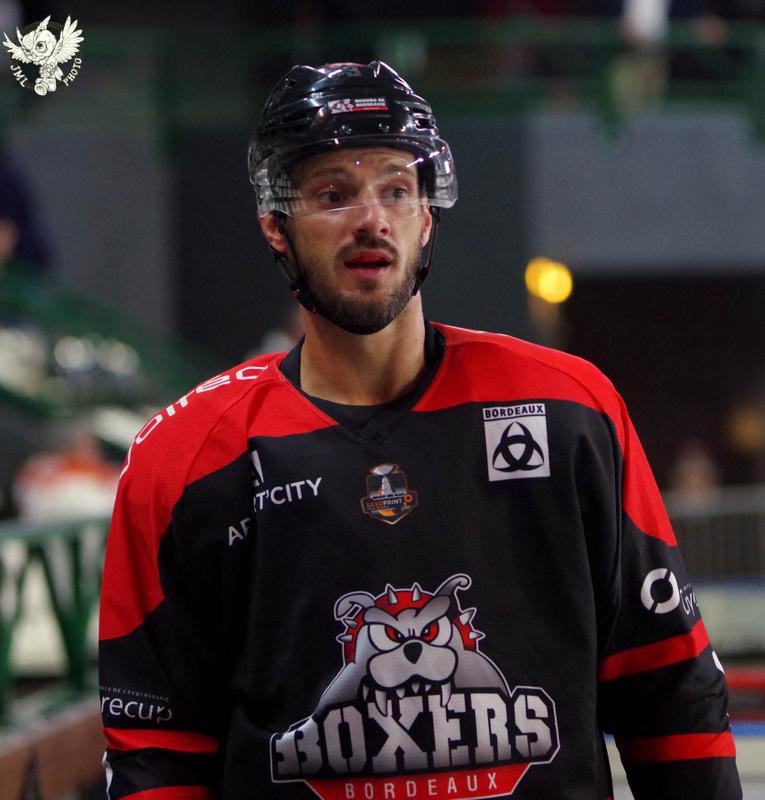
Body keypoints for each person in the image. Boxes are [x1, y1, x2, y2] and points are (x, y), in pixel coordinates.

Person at [98, 61, 742, 799]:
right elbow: (155, 749)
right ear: (275, 225)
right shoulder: (182, 459)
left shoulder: (570, 410)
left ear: (427, 216)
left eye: (397, 190)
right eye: (332, 194)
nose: (371, 218)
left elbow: (670, 689)